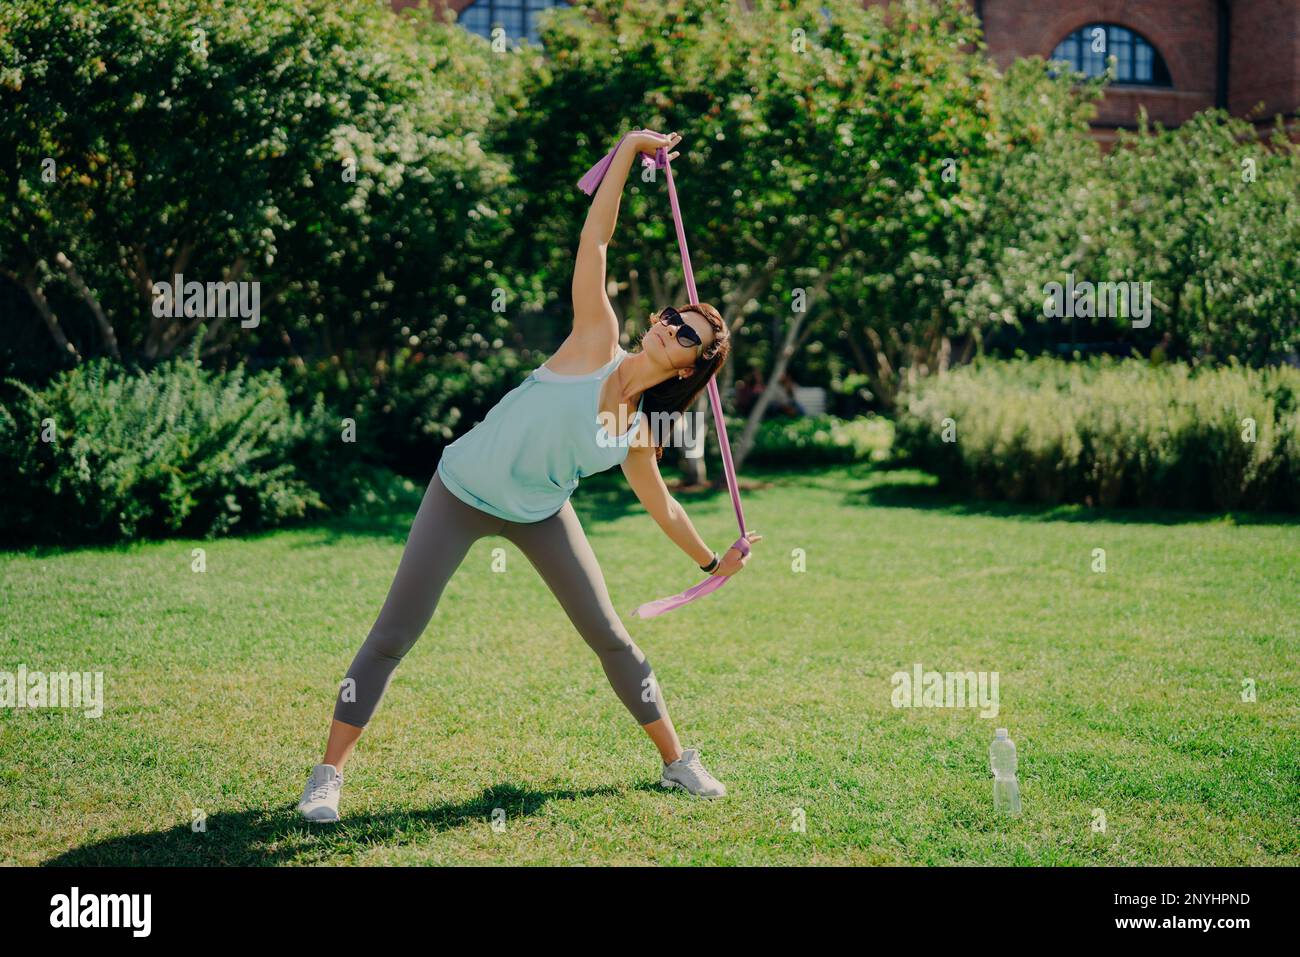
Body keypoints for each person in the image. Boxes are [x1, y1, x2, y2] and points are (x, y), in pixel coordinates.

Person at [298, 129, 763, 822]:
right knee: (394, 633)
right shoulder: (594, 339)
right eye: (672, 314)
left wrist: (710, 562)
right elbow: (595, 244)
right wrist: (630, 150)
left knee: (610, 635)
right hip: (460, 490)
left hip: (541, 511)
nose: (670, 325)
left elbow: (661, 504)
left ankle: (676, 761)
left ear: (693, 367)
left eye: (688, 333)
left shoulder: (639, 431)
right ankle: (326, 776)